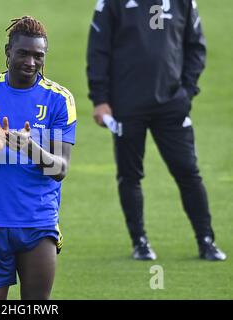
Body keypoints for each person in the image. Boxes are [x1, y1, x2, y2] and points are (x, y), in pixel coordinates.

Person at [86, 0, 226, 261]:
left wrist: (186, 91)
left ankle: (206, 240)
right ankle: (139, 242)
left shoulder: (183, 2)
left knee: (187, 171)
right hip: (126, 105)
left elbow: (196, 47)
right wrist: (100, 99)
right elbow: (98, 51)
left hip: (172, 104)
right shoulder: (111, 4)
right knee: (129, 175)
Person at [0, 16, 77, 299]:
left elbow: (60, 169)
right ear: (8, 51)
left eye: (38, 56)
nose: (31, 62)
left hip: (38, 223)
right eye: (23, 53)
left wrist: (29, 147)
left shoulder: (59, 100)